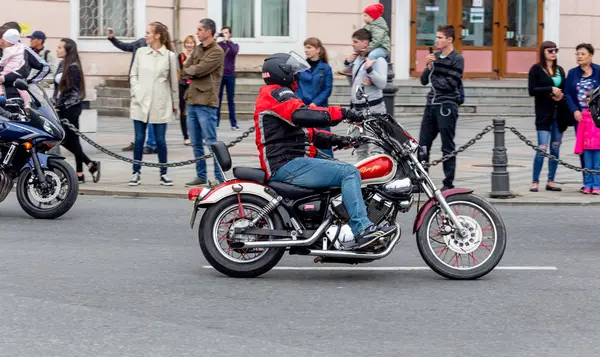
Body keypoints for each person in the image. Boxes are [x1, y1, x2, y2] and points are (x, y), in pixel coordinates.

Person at [256, 52, 397, 250]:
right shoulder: (277, 94)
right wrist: (343, 113)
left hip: (292, 160)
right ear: (283, 73)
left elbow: (308, 133)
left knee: (342, 170)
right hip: (287, 163)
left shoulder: (276, 96)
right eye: (294, 74)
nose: (297, 78)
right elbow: (303, 115)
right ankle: (362, 229)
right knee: (349, 173)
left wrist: (340, 140)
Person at [128, 22, 179, 187]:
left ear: (157, 36)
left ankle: (164, 174)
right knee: (139, 139)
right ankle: (136, 173)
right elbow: (133, 75)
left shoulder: (169, 56)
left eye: (148, 32)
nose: (146, 35)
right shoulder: (141, 53)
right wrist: (136, 91)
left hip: (160, 103)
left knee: (160, 140)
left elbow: (173, 83)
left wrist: (175, 105)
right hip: (140, 102)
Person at [418, 24, 464, 190]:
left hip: (447, 105)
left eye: (439, 37)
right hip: (431, 105)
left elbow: (451, 83)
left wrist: (434, 73)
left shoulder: (457, 59)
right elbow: (423, 81)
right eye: (436, 37)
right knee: (423, 145)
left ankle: (448, 183)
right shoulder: (435, 56)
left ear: (449, 40)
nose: (436, 40)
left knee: (447, 145)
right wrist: (428, 67)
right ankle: (422, 181)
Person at [182, 18, 225, 187]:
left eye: (200, 29)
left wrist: (192, 70)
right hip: (192, 99)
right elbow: (186, 67)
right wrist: (192, 70)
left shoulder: (217, 51)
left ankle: (219, 177)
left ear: (208, 32)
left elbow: (199, 70)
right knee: (196, 142)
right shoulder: (198, 48)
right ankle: (200, 175)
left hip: (206, 102)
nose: (197, 32)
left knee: (211, 141)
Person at [54, 38, 101, 183]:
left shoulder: (73, 67)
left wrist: (59, 104)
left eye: (60, 47)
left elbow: (71, 90)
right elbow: (59, 89)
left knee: (73, 140)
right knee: (62, 139)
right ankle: (90, 165)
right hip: (62, 107)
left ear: (68, 51)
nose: (57, 49)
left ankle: (80, 173)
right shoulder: (62, 64)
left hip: (71, 108)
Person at [527, 41, 571, 192]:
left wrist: (561, 94)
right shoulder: (536, 69)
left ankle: (551, 180)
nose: (553, 53)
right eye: (550, 50)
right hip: (543, 114)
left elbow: (565, 88)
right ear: (543, 52)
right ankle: (535, 181)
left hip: (559, 114)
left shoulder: (560, 70)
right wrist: (550, 89)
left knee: (555, 148)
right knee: (542, 148)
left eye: (555, 50)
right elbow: (532, 90)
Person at [106, 27, 156, 154]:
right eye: (146, 32)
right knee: (139, 114)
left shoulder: (158, 49)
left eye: (149, 32)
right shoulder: (140, 43)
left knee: (150, 114)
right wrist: (113, 39)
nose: (146, 34)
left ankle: (151, 144)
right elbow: (125, 46)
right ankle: (140, 141)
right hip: (137, 84)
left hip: (150, 85)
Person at [340, 28, 388, 161]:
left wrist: (370, 70)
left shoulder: (378, 60)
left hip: (373, 108)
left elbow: (382, 84)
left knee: (375, 146)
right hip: (357, 109)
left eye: (356, 42)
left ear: (365, 43)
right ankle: (363, 178)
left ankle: (377, 178)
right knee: (360, 146)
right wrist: (347, 65)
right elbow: (354, 82)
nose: (353, 44)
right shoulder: (357, 59)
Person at [565, 43, 600, 192]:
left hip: (597, 117)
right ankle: (587, 182)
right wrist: (574, 110)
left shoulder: (598, 71)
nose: (579, 56)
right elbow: (567, 93)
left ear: (591, 55)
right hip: (581, 117)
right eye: (577, 54)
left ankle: (597, 183)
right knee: (584, 148)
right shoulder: (572, 73)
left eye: (583, 54)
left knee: (597, 150)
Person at [296, 37, 334, 157]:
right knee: (304, 139)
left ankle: (327, 162)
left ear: (317, 50)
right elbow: (296, 86)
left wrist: (316, 103)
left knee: (323, 138)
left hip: (320, 109)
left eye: (309, 47)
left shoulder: (325, 68)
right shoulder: (301, 66)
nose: (306, 50)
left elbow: (327, 89)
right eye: (305, 47)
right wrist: (299, 102)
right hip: (303, 108)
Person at [0, 22, 50, 99]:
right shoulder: (3, 49)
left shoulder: (24, 50)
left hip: (15, 96)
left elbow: (45, 67)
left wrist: (30, 82)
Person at [338, 3, 390, 76]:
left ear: (372, 17)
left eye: (366, 15)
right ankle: (350, 68)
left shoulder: (378, 28)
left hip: (382, 48)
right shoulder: (369, 26)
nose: (364, 18)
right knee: (358, 52)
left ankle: (370, 73)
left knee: (372, 55)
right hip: (374, 47)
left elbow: (377, 41)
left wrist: (368, 49)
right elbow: (362, 34)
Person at [574, 91, 600, 194]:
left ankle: (597, 186)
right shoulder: (584, 116)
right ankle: (588, 185)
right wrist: (578, 148)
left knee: (598, 167)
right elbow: (579, 133)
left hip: (598, 146)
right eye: (588, 99)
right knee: (587, 166)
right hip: (587, 146)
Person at [217, 26, 239, 130]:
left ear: (230, 34)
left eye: (226, 33)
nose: (224, 34)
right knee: (218, 99)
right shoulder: (219, 45)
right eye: (222, 33)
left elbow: (234, 52)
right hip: (220, 75)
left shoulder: (234, 45)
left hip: (230, 75)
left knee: (231, 100)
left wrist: (228, 42)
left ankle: (233, 124)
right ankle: (216, 123)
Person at [178, 35, 196, 146]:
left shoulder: (196, 56)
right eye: (187, 43)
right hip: (183, 84)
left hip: (193, 85)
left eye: (191, 43)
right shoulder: (181, 56)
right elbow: (182, 69)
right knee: (183, 111)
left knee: (193, 110)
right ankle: (186, 136)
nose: (189, 45)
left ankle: (195, 135)